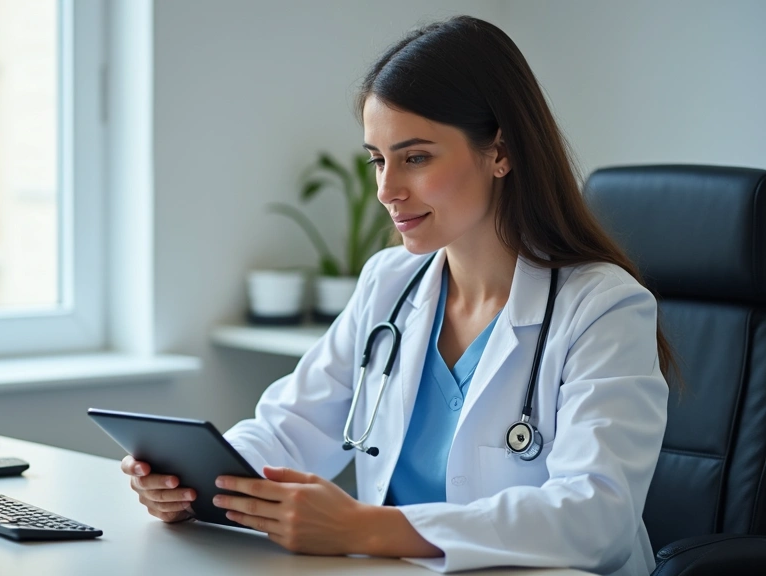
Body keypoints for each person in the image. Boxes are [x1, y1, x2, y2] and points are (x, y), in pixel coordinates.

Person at [121, 15, 671, 576]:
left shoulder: (602, 308)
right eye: (378, 160)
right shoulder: (389, 283)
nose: (386, 190)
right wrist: (197, 483)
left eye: (416, 157)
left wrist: (362, 527)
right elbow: (292, 428)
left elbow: (596, 518)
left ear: (501, 151)